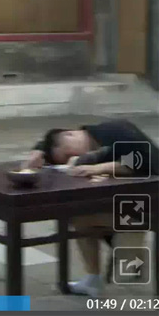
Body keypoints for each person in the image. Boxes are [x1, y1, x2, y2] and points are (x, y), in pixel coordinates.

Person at [23, 119, 158, 297]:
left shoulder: (113, 130)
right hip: (129, 203)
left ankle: (129, 254)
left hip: (149, 204)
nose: (73, 157)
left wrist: (97, 169)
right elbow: (51, 141)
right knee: (78, 215)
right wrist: (39, 150)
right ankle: (93, 279)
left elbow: (144, 161)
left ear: (70, 134)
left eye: (69, 153)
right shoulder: (94, 146)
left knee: (86, 215)